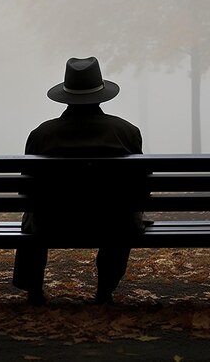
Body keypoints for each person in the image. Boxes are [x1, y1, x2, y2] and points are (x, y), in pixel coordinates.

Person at [12, 56, 144, 306]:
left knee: (33, 213)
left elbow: (26, 190)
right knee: (123, 214)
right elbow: (139, 188)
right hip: (111, 223)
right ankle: (105, 290)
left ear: (66, 94)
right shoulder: (126, 132)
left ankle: (33, 290)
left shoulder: (42, 134)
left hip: (52, 222)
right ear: (102, 94)